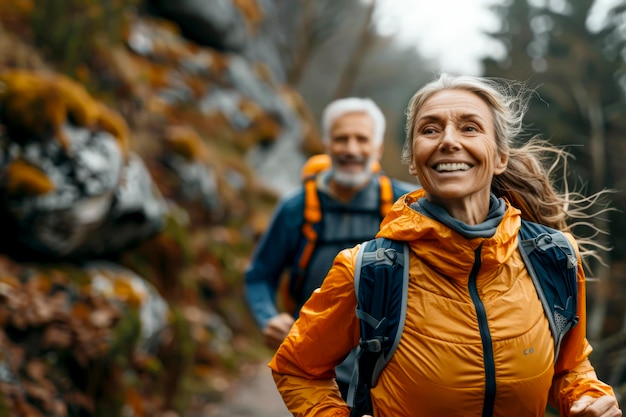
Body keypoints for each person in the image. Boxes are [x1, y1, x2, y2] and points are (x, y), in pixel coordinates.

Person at [268, 73, 623, 417]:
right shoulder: (367, 269)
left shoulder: (555, 256)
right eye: (430, 129)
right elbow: (298, 369)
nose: (448, 141)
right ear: (413, 161)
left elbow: (569, 367)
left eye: (470, 127)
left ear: (500, 157)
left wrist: (589, 398)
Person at [244, 97, 417, 397]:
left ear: (377, 148)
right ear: (326, 144)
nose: (351, 149)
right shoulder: (295, 209)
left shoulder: (408, 205)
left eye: (361, 139)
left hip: (389, 372)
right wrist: (268, 317)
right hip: (313, 369)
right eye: (341, 139)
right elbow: (259, 275)